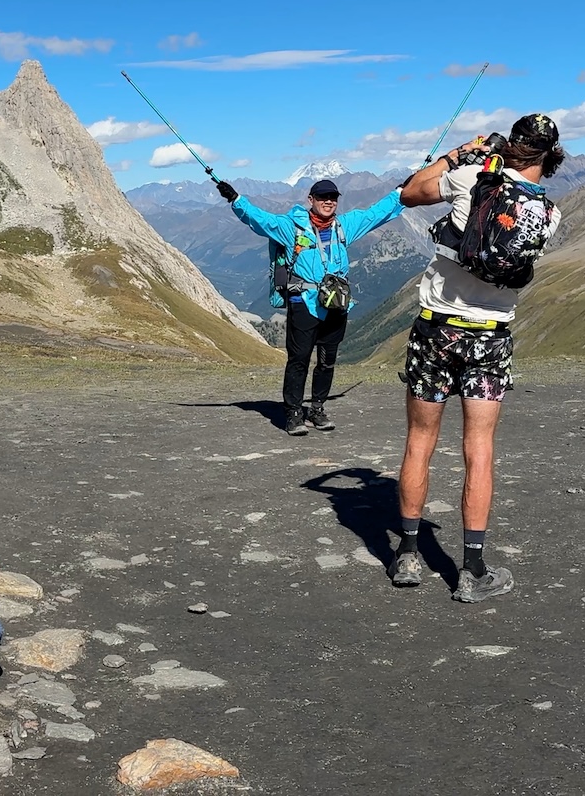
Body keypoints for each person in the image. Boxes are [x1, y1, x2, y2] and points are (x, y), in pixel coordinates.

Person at [387, 114, 565, 602]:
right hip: (490, 337)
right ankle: (472, 570)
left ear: (510, 145)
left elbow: (408, 191)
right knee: (479, 447)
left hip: (436, 330)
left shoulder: (470, 178)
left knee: (420, 440)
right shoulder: (548, 215)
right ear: (548, 156)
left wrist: (457, 156)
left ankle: (406, 555)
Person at [215, 177, 403, 435]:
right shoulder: (290, 227)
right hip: (304, 303)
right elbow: (259, 219)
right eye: (323, 197)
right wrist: (235, 200)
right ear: (310, 200)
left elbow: (376, 215)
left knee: (327, 360)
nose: (329, 201)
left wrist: (400, 193)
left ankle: (317, 409)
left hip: (336, 305)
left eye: (333, 197)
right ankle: (293, 413)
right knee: (299, 360)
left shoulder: (344, 225)